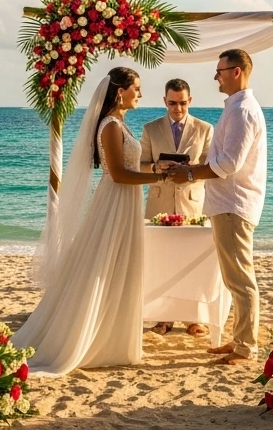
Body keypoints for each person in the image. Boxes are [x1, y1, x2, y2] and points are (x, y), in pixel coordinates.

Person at [10, 67, 172, 376]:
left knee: (119, 267)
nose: (140, 94)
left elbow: (129, 165)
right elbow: (119, 174)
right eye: (136, 88)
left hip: (125, 200)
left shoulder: (120, 124)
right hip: (115, 200)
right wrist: (159, 176)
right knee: (103, 266)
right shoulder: (110, 125)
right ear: (119, 91)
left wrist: (156, 166)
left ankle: (111, 337)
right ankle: (95, 338)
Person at [168, 48, 267, 366]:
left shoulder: (242, 111)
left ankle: (245, 347)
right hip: (227, 203)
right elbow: (221, 160)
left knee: (240, 278)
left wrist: (191, 173)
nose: (216, 76)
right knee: (233, 277)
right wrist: (196, 167)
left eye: (220, 70)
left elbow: (229, 164)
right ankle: (240, 340)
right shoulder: (236, 108)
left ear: (236, 71)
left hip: (233, 204)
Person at [139, 78, 213, 336]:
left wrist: (191, 169)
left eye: (182, 103)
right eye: (172, 103)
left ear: (190, 101)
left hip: (192, 203)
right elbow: (139, 165)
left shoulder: (205, 129)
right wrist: (155, 168)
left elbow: (211, 169)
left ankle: (194, 318)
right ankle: (163, 317)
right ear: (164, 101)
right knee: (160, 261)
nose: (178, 109)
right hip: (159, 200)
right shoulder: (151, 128)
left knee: (192, 262)